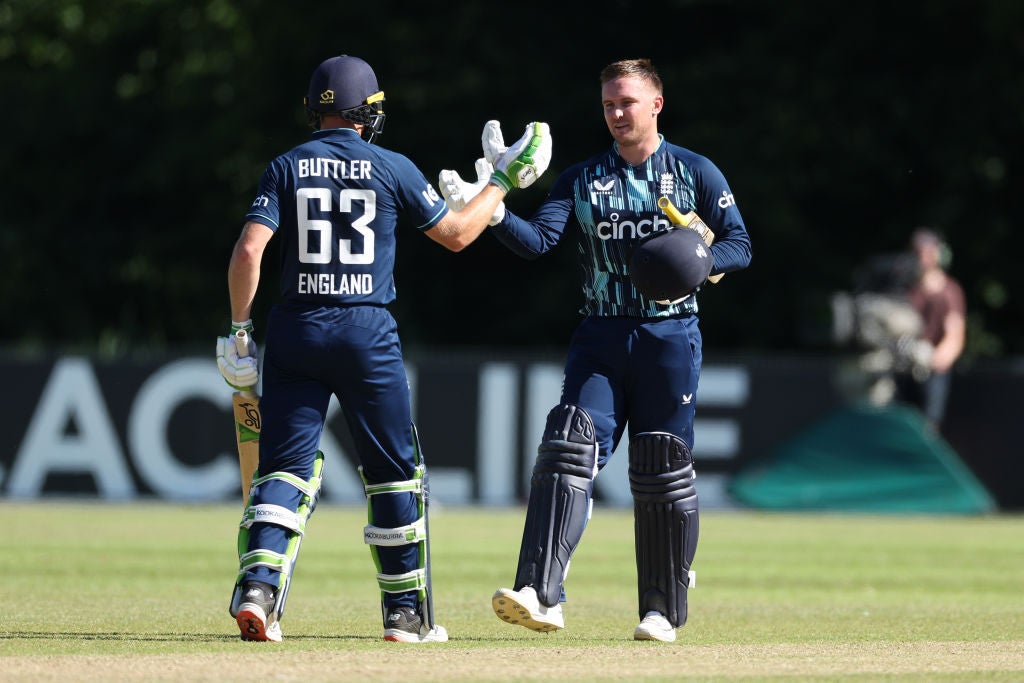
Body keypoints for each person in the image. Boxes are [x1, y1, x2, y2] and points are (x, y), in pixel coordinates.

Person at [215, 54, 551, 643]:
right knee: (394, 474)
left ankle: (259, 593)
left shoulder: (286, 165)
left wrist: (240, 328)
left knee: (283, 471)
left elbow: (248, 253)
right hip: (367, 332)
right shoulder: (391, 165)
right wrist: (500, 181)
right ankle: (405, 617)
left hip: (296, 330)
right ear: (367, 112)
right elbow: (457, 235)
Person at [439, 58, 750, 642]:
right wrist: (497, 211)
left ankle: (661, 611)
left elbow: (742, 245)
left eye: (626, 102)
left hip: (671, 337)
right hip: (602, 336)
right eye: (608, 104)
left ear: (656, 104)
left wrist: (702, 261)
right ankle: (540, 592)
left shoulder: (694, 171)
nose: (615, 113)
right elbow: (539, 242)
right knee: (568, 445)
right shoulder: (583, 178)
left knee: (660, 468)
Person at [893, 227, 966, 429]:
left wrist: (932, 361)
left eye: (926, 252)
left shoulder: (949, 291)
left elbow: (955, 335)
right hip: (902, 368)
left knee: (927, 427)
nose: (922, 258)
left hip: (931, 371)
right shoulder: (904, 290)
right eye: (917, 252)